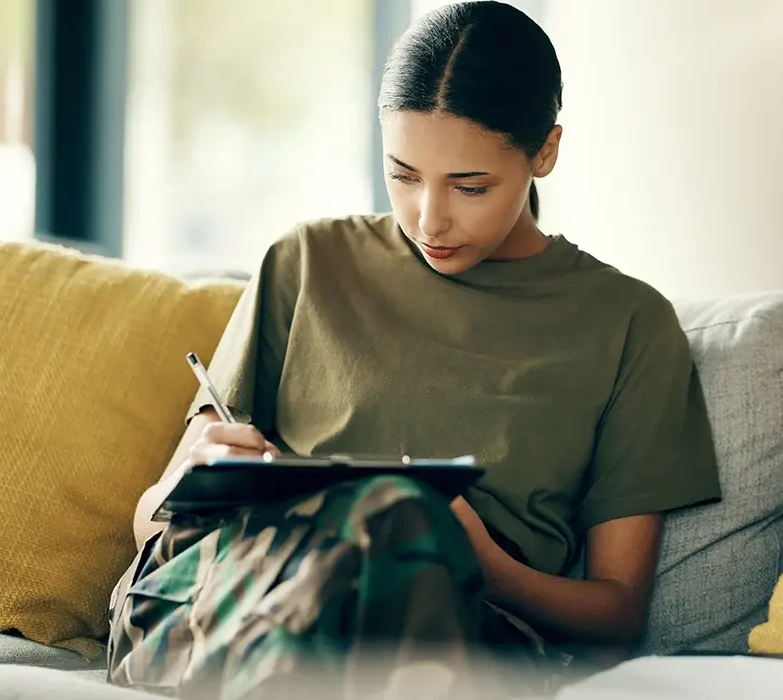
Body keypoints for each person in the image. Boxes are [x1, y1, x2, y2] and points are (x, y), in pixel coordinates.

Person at [106, 3, 721, 699]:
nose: (429, 218)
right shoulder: (307, 262)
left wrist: (488, 566)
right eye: (403, 175)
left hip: (448, 620)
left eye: (470, 185)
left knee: (400, 518)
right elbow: (149, 526)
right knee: (384, 518)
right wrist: (181, 485)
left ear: (544, 152)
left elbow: (615, 617)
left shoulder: (629, 324)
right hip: (217, 594)